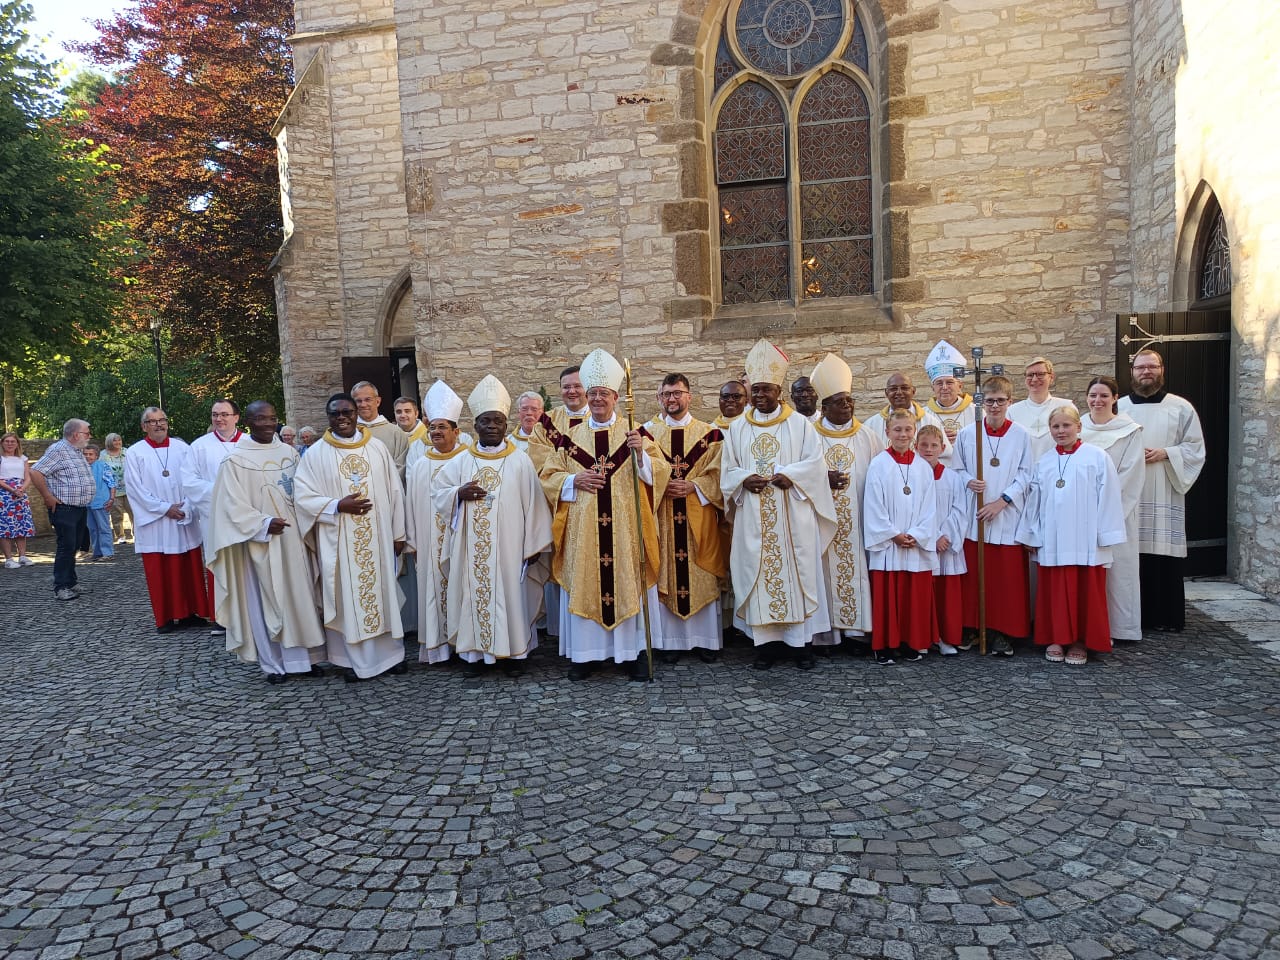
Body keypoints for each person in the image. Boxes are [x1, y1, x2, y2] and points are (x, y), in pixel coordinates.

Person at [538, 348, 669, 681]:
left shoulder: (634, 432)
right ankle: (586, 655)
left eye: (603, 394)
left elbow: (660, 472)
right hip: (585, 533)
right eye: (592, 393)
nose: (597, 399)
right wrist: (573, 479)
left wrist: (642, 458)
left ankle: (632, 653)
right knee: (587, 582)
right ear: (586, 395)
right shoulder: (571, 439)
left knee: (628, 583)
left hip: (626, 530)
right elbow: (549, 476)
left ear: (615, 396)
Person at [721, 339, 836, 670]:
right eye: (755, 390)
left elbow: (815, 463)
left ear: (778, 389)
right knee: (757, 574)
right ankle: (766, 647)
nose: (760, 396)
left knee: (796, 575)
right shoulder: (738, 428)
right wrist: (743, 479)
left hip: (792, 516)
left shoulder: (799, 424)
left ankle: (800, 647)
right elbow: (727, 469)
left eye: (766, 390)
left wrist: (792, 476)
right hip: (753, 517)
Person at [430, 375, 553, 675]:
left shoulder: (520, 461)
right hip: (471, 550)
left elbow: (534, 504)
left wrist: (534, 545)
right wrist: (458, 494)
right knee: (473, 595)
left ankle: (514, 656)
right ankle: (475, 656)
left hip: (512, 549)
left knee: (512, 599)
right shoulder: (460, 462)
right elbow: (438, 491)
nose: (492, 427)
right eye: (486, 421)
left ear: (505, 424)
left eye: (498, 421)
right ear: (476, 425)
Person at [206, 401, 328, 684]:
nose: (268, 424)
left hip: (295, 540)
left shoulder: (290, 454)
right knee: (270, 602)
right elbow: (228, 507)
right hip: (262, 543)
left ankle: (307, 659)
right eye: (261, 419)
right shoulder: (235, 461)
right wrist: (262, 523)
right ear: (248, 422)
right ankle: (274, 664)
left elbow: (306, 491)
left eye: (272, 418)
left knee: (302, 597)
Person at [294, 392, 407, 680]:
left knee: (382, 593)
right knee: (349, 599)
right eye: (335, 414)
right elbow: (303, 497)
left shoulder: (377, 448)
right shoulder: (317, 453)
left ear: (356, 413)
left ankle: (391, 655)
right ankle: (353, 661)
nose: (342, 418)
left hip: (378, 538)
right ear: (328, 417)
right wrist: (336, 505)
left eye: (347, 412)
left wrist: (398, 533)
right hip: (339, 539)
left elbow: (395, 491)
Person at [1019, 406, 1127, 665]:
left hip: (1086, 538)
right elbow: (1034, 501)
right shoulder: (1043, 461)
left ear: (1079, 427)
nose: (1061, 431)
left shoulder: (1097, 457)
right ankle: (1057, 637)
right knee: (1054, 591)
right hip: (1053, 539)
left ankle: (1081, 640)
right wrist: (1031, 535)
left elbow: (1109, 496)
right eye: (1055, 426)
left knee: (1084, 591)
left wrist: (1104, 535)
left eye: (1066, 425)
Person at [1118, 349, 1206, 632]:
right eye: (1140, 367)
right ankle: (1133, 617)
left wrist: (1166, 453)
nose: (1146, 372)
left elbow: (1195, 448)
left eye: (1151, 367)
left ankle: (1167, 617)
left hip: (1164, 486)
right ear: (1132, 372)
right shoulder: (1119, 408)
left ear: (1162, 370)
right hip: (1130, 492)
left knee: (1162, 553)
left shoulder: (1180, 407)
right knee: (1131, 553)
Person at [646, 373, 727, 663]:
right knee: (666, 568)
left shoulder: (711, 435)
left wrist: (695, 486)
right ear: (659, 398)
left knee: (699, 573)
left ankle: (705, 640)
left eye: (677, 393)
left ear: (689, 396)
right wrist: (660, 483)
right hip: (663, 517)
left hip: (698, 517)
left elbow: (721, 475)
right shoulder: (646, 434)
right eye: (666, 394)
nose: (671, 399)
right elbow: (639, 476)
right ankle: (669, 643)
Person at [952, 376, 1033, 656]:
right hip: (975, 516)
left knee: (1005, 580)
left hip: (1005, 515)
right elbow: (957, 469)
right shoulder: (968, 434)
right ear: (981, 403)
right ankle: (975, 628)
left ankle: (1003, 632)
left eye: (1000, 401)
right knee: (976, 577)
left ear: (1010, 402)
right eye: (989, 401)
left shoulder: (1021, 434)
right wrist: (968, 481)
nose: (995, 406)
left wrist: (1002, 501)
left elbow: (1026, 474)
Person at [808, 353, 876, 649]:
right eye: (839, 401)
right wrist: (823, 480)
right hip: (821, 521)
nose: (847, 406)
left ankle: (856, 632)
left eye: (849, 400)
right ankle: (827, 633)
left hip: (859, 520)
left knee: (857, 568)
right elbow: (799, 476)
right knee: (822, 571)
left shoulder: (869, 436)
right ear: (824, 407)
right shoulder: (809, 437)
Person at [125, 408, 213, 632]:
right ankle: (165, 618)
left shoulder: (182, 448)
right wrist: (164, 509)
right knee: (160, 571)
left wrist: (187, 505)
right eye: (152, 421)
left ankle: (191, 613)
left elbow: (195, 479)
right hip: (157, 522)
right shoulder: (135, 452)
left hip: (184, 515)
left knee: (189, 568)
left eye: (162, 420)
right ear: (144, 426)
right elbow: (135, 489)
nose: (158, 425)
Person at [863, 410, 939, 664]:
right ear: (887, 432)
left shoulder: (922, 467)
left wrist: (916, 535)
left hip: (914, 544)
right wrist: (893, 535)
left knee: (911, 596)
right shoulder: (879, 464)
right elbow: (873, 505)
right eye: (897, 429)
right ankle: (884, 644)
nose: (903, 434)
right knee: (888, 595)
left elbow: (931, 507)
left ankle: (908, 641)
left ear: (914, 431)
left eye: (908, 429)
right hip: (889, 545)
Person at [405, 379, 469, 663]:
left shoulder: (470, 460)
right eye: (432, 427)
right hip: (430, 542)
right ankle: (440, 648)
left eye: (443, 427)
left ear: (456, 431)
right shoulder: (420, 466)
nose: (436, 432)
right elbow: (411, 506)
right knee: (434, 592)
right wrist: (413, 541)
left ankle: (466, 645)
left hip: (461, 540)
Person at [1080, 376, 1144, 644]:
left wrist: (1104, 508)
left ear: (1115, 398)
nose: (1098, 401)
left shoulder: (1129, 430)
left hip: (1116, 512)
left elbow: (1131, 472)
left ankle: (1119, 628)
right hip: (1080, 512)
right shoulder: (1077, 425)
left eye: (1104, 395)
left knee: (1118, 571)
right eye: (1093, 395)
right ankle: (1086, 625)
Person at [180, 399, 243, 635]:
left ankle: (250, 615)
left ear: (236, 417)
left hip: (244, 516)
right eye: (215, 415)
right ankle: (221, 617)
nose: (220, 419)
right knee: (220, 563)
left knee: (246, 564)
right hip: (214, 516)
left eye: (225, 414)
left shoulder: (250, 443)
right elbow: (189, 481)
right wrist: (220, 493)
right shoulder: (199, 446)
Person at [916, 424, 969, 655]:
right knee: (924, 594)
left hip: (946, 545)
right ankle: (926, 637)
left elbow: (960, 510)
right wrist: (933, 537)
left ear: (942, 447)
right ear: (916, 447)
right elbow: (914, 511)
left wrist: (946, 536)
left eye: (934, 445)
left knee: (946, 595)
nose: (929, 449)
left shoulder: (952, 478)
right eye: (924, 445)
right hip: (924, 543)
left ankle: (946, 637)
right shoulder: (912, 475)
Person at [30, 420, 95, 600]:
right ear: (76, 435)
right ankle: (61, 587)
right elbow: (35, 472)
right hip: (64, 508)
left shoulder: (76, 451)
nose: (89, 436)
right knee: (66, 547)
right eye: (87, 433)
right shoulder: (58, 450)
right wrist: (47, 496)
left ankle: (71, 582)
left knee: (74, 545)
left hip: (79, 507)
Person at [862, 372, 951, 458]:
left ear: (913, 391)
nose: (899, 392)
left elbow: (945, 456)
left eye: (904, 388)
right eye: (893, 389)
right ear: (886, 392)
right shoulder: (871, 425)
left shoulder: (931, 422)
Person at [525, 364, 590, 474]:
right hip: (559, 488)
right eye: (566, 387)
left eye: (577, 386)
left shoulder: (601, 419)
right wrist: (569, 480)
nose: (572, 391)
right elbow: (537, 458)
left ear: (587, 387)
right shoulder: (546, 422)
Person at [1009, 357, 1076, 460]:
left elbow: (1075, 443)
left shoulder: (1066, 407)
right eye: (1030, 375)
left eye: (1040, 374)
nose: (1035, 379)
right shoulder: (1012, 412)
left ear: (1051, 377)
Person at [352, 380, 411, 479]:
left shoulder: (396, 433)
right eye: (358, 401)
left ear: (378, 401)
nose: (363, 404)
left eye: (368, 399)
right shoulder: (349, 432)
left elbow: (401, 467)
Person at [923, 339, 974, 452]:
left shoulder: (976, 412)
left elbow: (985, 442)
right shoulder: (924, 415)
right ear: (933, 388)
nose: (944, 387)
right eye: (939, 383)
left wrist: (962, 438)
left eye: (949, 382)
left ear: (960, 385)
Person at [0, 432, 35, 568]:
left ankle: (22, 556)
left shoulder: (23, 458)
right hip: (4, 494)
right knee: (6, 526)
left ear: (17, 444)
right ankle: (9, 559)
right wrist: (12, 490)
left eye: (12, 441)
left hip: (20, 494)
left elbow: (28, 477)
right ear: (2, 443)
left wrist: (21, 489)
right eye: (7, 441)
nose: (10, 444)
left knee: (21, 524)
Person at [83, 444, 117, 562]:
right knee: (92, 528)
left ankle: (108, 552)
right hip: (87, 503)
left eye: (90, 454)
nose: (88, 457)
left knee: (104, 528)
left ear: (96, 456)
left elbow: (112, 483)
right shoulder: (81, 468)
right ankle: (97, 552)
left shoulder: (103, 466)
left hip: (101, 502)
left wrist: (111, 499)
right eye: (85, 454)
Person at [101, 433, 134, 544]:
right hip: (113, 489)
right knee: (116, 514)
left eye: (119, 440)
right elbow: (101, 471)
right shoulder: (103, 455)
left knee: (133, 512)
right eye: (115, 440)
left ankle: (137, 534)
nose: (118, 442)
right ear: (109, 442)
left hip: (129, 487)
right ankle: (120, 536)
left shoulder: (126, 451)